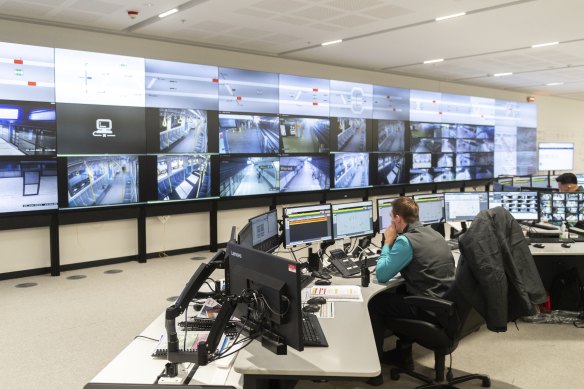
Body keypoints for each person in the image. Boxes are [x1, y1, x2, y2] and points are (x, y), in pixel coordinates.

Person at [366, 196, 455, 386]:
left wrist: (388, 242)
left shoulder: (406, 241)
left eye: (391, 218)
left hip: (428, 309)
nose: (390, 222)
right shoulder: (435, 234)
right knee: (400, 292)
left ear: (398, 219)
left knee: (375, 304)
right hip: (446, 306)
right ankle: (403, 354)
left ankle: (373, 370)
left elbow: (382, 275)